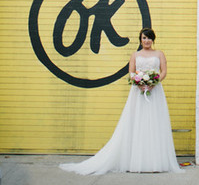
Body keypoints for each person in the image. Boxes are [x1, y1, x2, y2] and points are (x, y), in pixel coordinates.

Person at [60, 28, 182, 175]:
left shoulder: (159, 54)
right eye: (144, 38)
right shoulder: (135, 55)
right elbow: (131, 73)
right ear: (140, 40)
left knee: (154, 122)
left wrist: (153, 83)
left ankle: (155, 161)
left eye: (149, 38)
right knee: (136, 122)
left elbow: (163, 72)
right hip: (138, 92)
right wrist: (139, 82)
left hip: (155, 92)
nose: (147, 41)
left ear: (153, 39)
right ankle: (135, 160)